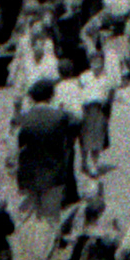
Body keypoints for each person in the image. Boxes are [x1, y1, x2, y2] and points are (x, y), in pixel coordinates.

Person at [14, 74, 83, 221]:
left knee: (31, 217)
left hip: (29, 174)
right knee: (51, 218)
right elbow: (78, 121)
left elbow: (17, 141)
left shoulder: (25, 118)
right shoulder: (60, 115)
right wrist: (68, 140)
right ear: (51, 95)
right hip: (53, 171)